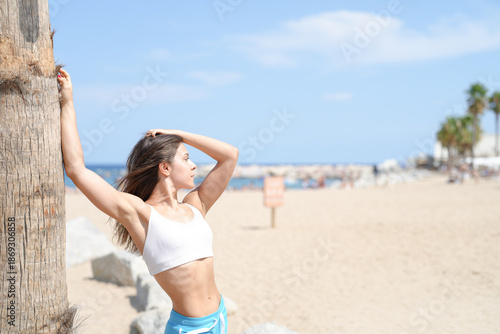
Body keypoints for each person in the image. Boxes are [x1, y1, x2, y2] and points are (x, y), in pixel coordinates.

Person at [58, 68, 238, 334]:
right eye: (186, 159)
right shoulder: (140, 214)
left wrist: (177, 135)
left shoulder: (195, 205)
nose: (193, 165)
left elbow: (230, 155)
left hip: (219, 319)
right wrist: (68, 102)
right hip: (188, 329)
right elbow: (76, 169)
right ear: (165, 168)